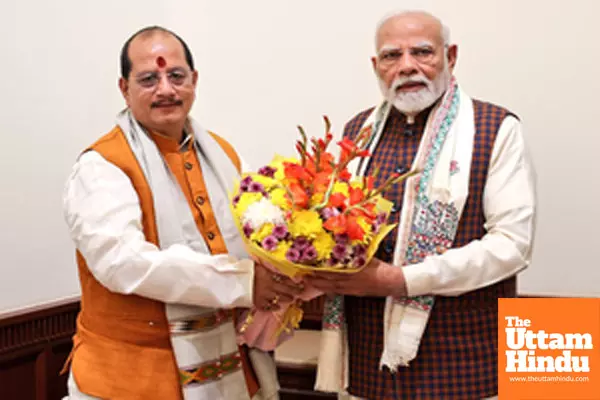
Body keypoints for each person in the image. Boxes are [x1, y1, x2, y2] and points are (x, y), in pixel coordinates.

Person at [305, 10, 537, 400]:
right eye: (392, 55)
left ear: (451, 56)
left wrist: (401, 280)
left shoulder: (495, 127)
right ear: (376, 66)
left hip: (465, 363)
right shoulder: (356, 133)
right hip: (367, 363)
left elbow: (512, 246)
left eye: (423, 52)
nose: (407, 66)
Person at [61, 26, 301, 400]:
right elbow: (121, 262)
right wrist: (241, 283)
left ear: (194, 80)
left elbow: (259, 235)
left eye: (176, 76)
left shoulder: (222, 155)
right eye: (148, 79)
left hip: (226, 364)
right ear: (124, 89)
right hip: (132, 379)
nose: (166, 90)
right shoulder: (103, 165)